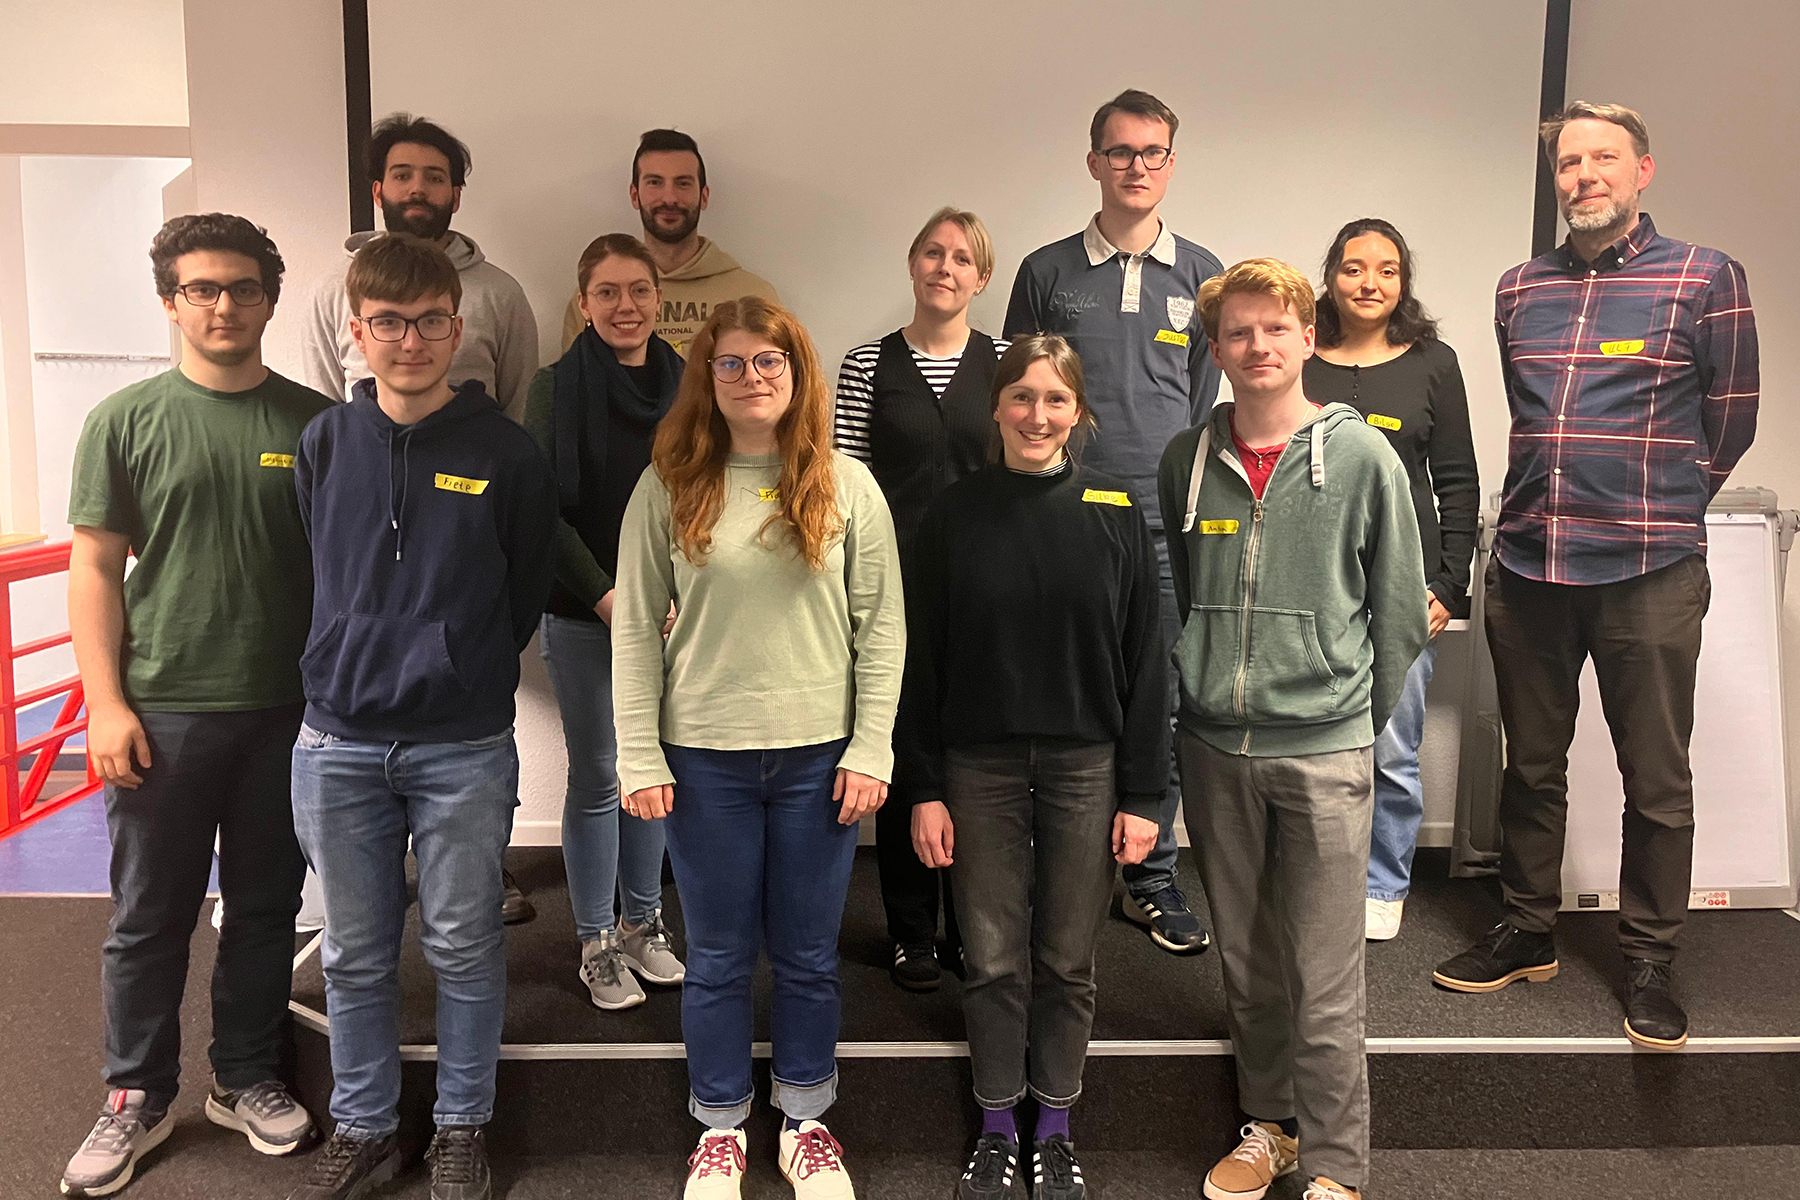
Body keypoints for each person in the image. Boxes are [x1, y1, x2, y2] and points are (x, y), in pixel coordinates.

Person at [1433, 102, 1759, 1051]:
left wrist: (1654, 500)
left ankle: (1650, 958)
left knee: (1654, 777)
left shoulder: (1704, 277)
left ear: (1642, 169)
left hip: (1649, 570)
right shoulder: (1518, 289)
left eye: (1604, 158)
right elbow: (1536, 417)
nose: (1584, 176)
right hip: (1531, 562)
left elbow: (1730, 419)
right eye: (1569, 162)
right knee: (1530, 765)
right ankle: (1527, 929)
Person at [59, 214, 329, 1198]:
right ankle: (135, 1093)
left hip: (287, 713)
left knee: (265, 907)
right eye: (202, 288)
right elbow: (94, 568)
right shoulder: (124, 421)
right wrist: (104, 703)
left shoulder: (316, 424)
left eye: (243, 288)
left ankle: (245, 1075)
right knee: (150, 915)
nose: (224, 305)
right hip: (161, 711)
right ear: (170, 301)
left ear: (270, 299)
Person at [612, 297, 904, 1199]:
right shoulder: (668, 484)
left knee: (810, 954)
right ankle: (720, 1125)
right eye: (730, 362)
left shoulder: (846, 484)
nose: (750, 377)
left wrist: (873, 748)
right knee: (718, 955)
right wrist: (639, 755)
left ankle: (806, 1120)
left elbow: (882, 628)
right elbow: (634, 630)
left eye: (768, 361)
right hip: (705, 759)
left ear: (797, 371)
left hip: (821, 759)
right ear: (706, 376)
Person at [285, 234, 556, 1200]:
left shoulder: (506, 452)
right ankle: (363, 1125)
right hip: (338, 741)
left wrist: (459, 662)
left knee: (463, 942)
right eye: (389, 323)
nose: (411, 341)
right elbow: (317, 565)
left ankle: (460, 1125)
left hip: (462, 745)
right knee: (355, 951)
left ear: (457, 328)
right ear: (357, 332)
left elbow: (524, 588)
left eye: (430, 321)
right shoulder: (324, 442)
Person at [1159, 259, 1425, 1200]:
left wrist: (1345, 718)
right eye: (1238, 332)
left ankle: (1338, 1164)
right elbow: (1189, 593)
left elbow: (1399, 614)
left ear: (1309, 337)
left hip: (1323, 754)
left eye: (1276, 328)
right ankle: (1269, 1127)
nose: (1257, 346)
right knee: (1248, 960)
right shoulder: (1186, 460)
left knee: (1324, 971)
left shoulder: (1362, 458)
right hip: (1214, 750)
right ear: (1216, 348)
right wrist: (1207, 682)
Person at [900, 335, 1166, 1200]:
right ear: (996, 407)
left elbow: (1147, 658)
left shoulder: (1114, 508)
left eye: (1055, 399)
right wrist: (924, 787)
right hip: (975, 766)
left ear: (1078, 411)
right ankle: (995, 1123)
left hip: (1087, 765)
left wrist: (1145, 794)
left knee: (1067, 957)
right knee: (989, 958)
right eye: (1021, 397)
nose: (1037, 415)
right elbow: (919, 661)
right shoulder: (953, 513)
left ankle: (1052, 1124)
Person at [1004, 88, 1221, 956]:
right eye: (1121, 151)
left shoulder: (1202, 273)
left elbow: (1200, 406)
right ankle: (1053, 869)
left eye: (1152, 151)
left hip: (1164, 526)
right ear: (1094, 161)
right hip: (1061, 521)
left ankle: (1151, 876)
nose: (1137, 166)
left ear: (1171, 162)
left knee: (1157, 696)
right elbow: (1021, 394)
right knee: (1055, 690)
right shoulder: (1046, 271)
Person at [834, 205, 1009, 992]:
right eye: (934, 253)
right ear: (912, 264)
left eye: (962, 258)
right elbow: (843, 481)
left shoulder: (1005, 362)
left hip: (984, 586)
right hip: (891, 585)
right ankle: (911, 932)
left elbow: (1023, 469)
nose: (946, 267)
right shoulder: (865, 365)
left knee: (976, 757)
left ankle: (973, 926)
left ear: (982, 277)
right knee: (904, 751)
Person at [1303, 218, 1479, 941]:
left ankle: (1383, 883)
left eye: (1386, 269)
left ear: (1403, 281)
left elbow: (1458, 482)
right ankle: (1318, 878)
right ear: (1330, 277)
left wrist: (1448, 586)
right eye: (1353, 268)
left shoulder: (1434, 363)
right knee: (1313, 746)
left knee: (1391, 748)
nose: (1369, 282)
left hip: (1405, 585)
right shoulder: (1299, 354)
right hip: (1314, 584)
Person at [523, 233, 686, 1011]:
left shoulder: (689, 383)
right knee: (598, 774)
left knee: (652, 774)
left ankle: (642, 923)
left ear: (659, 298)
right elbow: (542, 513)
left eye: (639, 290)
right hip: (585, 612)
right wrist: (606, 596)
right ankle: (595, 940)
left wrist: (680, 595)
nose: (626, 306)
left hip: (671, 616)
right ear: (584, 303)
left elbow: (704, 500)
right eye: (608, 292)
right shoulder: (555, 386)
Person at [301, 112, 538, 425]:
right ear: (377, 193)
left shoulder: (501, 294)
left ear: (455, 198)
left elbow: (521, 408)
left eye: (434, 178)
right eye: (402, 176)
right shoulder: (333, 289)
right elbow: (324, 409)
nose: (417, 189)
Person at [559, 129, 779, 358]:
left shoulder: (752, 294)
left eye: (682, 184)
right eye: (655, 182)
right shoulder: (597, 297)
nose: (669, 198)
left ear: (704, 196)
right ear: (634, 195)